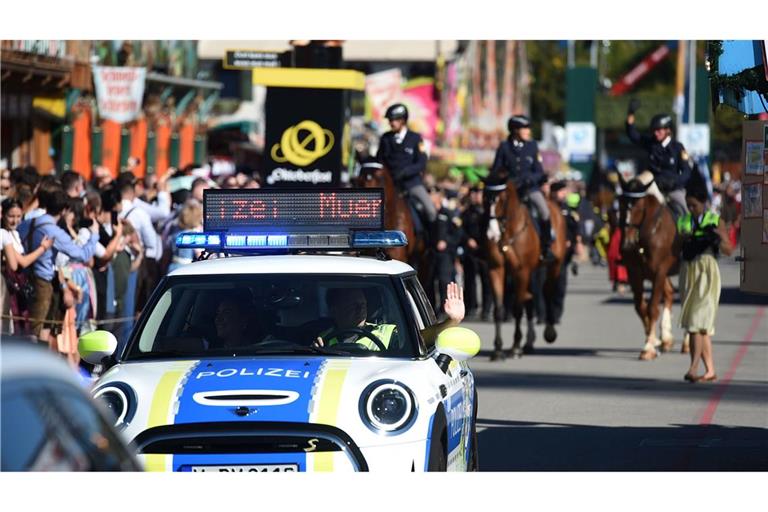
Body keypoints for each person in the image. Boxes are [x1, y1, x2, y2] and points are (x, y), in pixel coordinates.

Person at [17, 187, 100, 343]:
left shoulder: (27, 223)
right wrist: (94, 235)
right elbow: (81, 255)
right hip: (43, 282)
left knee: (30, 328)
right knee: (38, 331)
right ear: (64, 210)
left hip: (23, 278)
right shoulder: (54, 231)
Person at [677, 172, 733, 383]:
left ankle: (692, 368)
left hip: (707, 271)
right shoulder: (683, 221)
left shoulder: (714, 220)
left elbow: (729, 249)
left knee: (697, 322)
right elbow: (674, 250)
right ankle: (709, 370)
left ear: (704, 203)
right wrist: (683, 238)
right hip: (688, 271)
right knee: (699, 325)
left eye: (695, 206)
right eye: (689, 205)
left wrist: (718, 238)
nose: (691, 210)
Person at [314, 282, 465, 351]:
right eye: (352, 305)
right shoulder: (323, 339)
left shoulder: (387, 333)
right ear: (334, 310)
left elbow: (423, 339)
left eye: (363, 304)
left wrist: (452, 321)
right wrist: (314, 352)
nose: (361, 309)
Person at [490, 115, 553, 261]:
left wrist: (529, 179)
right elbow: (496, 169)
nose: (528, 131)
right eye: (525, 128)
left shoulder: (532, 146)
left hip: (529, 189)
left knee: (544, 211)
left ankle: (546, 247)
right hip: (509, 190)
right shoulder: (504, 147)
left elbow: (539, 171)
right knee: (492, 211)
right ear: (515, 130)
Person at [625, 99, 692, 219]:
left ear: (668, 130)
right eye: (654, 130)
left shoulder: (677, 147)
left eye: (659, 130)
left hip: (672, 188)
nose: (656, 133)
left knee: (684, 210)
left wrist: (676, 182)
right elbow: (633, 135)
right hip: (653, 185)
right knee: (635, 192)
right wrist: (630, 114)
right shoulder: (651, 143)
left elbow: (686, 171)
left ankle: (687, 235)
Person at [376, 103, 437, 225]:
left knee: (431, 211)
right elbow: (379, 160)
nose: (391, 123)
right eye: (390, 120)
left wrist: (405, 172)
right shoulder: (385, 138)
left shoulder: (416, 138)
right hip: (390, 184)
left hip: (411, 184)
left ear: (403, 120)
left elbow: (421, 162)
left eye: (394, 120)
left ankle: (430, 241)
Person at [1, 198, 53, 334]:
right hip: (9, 285)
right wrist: (42, 248)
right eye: (11, 216)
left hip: (20, 284)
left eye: (18, 216)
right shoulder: (4, 234)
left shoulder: (15, 233)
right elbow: (19, 263)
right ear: (3, 215)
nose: (15, 220)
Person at [461, 184, 492, 320]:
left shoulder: (488, 213)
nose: (475, 196)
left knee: (487, 281)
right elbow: (460, 230)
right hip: (470, 251)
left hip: (484, 252)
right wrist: (467, 239)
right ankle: (471, 307)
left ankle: (486, 309)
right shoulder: (466, 213)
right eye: (473, 193)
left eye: (478, 193)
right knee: (469, 281)